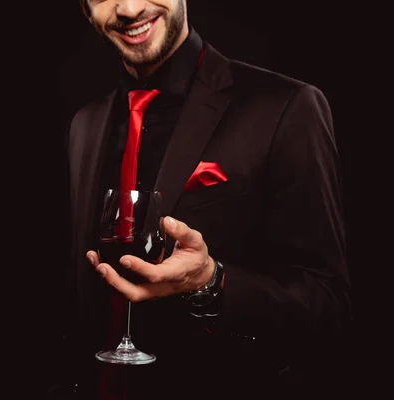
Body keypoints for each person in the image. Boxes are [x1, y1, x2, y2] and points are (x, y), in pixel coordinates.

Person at [49, 0, 352, 398]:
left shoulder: (286, 106)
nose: (128, 7)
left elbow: (327, 307)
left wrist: (211, 282)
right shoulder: (84, 124)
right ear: (86, 9)